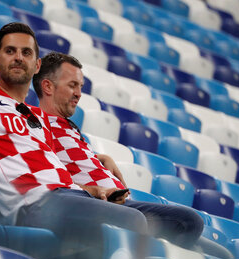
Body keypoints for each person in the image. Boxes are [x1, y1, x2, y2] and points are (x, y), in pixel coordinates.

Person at [0, 23, 202, 259]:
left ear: (37, 66)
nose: (18, 58)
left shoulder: (37, 117)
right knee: (133, 222)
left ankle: (138, 257)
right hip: (36, 203)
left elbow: (55, 167)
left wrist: (95, 187)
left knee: (188, 222)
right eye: (10, 51)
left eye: (26, 53)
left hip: (71, 197)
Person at [32, 51, 204, 249]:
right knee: (189, 221)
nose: (79, 93)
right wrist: (96, 191)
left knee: (220, 252)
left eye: (80, 86)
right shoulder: (35, 123)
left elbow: (63, 158)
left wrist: (100, 157)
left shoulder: (68, 127)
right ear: (47, 86)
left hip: (120, 204)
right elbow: (44, 172)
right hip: (101, 205)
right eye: (72, 85)